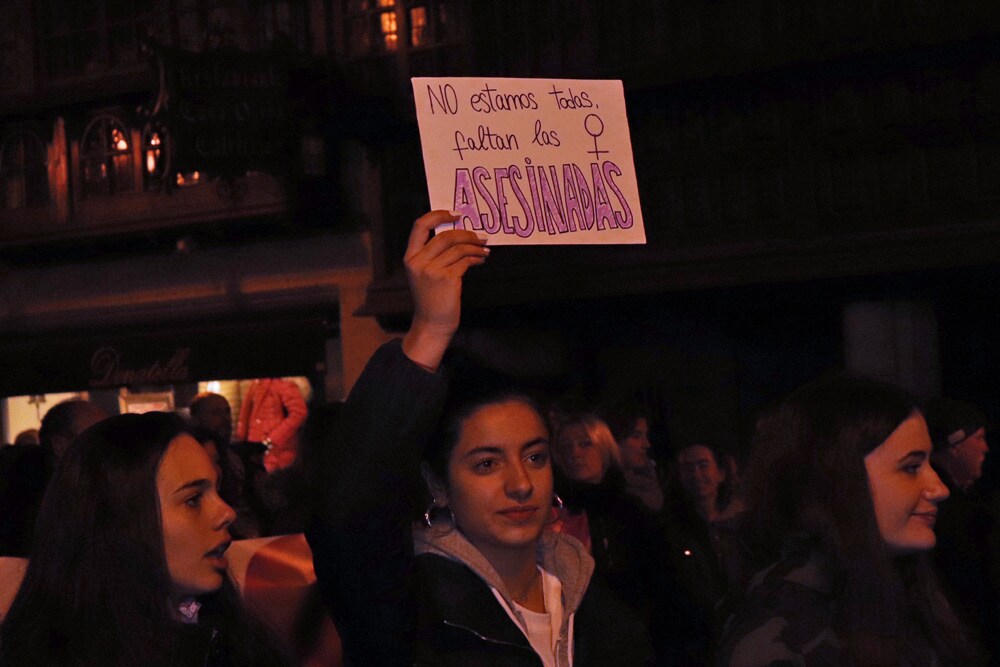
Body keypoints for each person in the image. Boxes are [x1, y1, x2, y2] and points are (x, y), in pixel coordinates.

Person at [306, 210, 653, 665]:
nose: (521, 484)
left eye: (534, 457)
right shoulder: (410, 609)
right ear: (440, 486)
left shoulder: (595, 596)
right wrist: (429, 329)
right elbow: (347, 503)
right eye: (487, 463)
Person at [716, 375, 979, 666]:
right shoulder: (779, 632)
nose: (939, 489)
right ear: (835, 478)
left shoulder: (895, 583)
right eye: (911, 467)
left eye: (929, 463)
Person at [0, 412, 289, 666]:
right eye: (193, 499)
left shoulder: (234, 644)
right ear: (117, 521)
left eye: (218, 489)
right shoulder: (41, 653)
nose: (226, 512)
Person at [924, 397, 1000, 661]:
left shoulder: (966, 506)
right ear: (954, 446)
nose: (985, 448)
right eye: (978, 438)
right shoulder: (954, 515)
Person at [236, 378, 308, 473]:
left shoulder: (282, 383)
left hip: (275, 455)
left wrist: (270, 441)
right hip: (259, 453)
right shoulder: (257, 383)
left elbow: (299, 413)